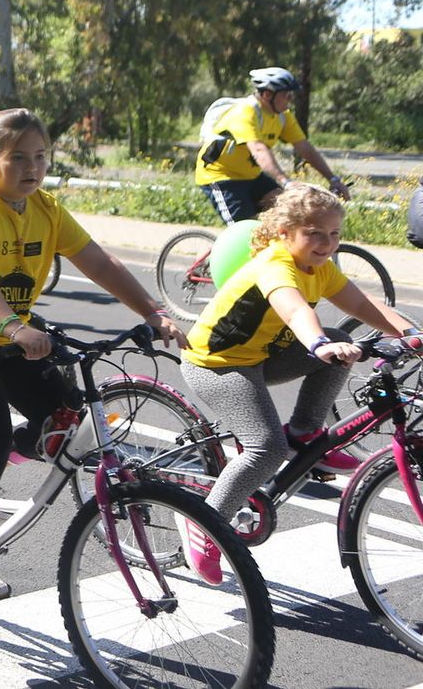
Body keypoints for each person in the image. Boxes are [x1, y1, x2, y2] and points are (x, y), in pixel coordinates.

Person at [0, 108, 182, 599]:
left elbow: (100, 262)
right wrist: (14, 326)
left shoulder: (47, 209)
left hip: (11, 333)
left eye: (40, 157)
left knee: (64, 423)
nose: (31, 168)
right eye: (17, 158)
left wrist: (152, 312)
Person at [176, 183, 418, 583]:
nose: (327, 243)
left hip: (260, 357)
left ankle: (305, 434)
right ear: (285, 232)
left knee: (344, 339)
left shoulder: (321, 267)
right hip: (215, 363)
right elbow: (292, 307)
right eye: (315, 233)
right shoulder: (276, 265)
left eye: (335, 234)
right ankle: (203, 521)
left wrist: (414, 334)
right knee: (266, 447)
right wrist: (317, 342)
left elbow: (361, 305)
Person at [194, 66, 350, 225]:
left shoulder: (283, 116)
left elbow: (304, 147)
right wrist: (286, 182)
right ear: (268, 94)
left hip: (253, 177)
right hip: (222, 178)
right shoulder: (244, 113)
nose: (290, 99)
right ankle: (219, 250)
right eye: (285, 94)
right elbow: (259, 150)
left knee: (290, 212)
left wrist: (333, 179)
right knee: (244, 232)